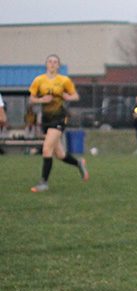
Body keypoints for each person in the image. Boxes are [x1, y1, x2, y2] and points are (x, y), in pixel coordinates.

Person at [28, 54, 88, 193]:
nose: (52, 64)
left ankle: (44, 183)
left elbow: (76, 96)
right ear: (46, 64)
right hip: (46, 119)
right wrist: (42, 100)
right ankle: (78, 163)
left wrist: (68, 96)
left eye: (55, 62)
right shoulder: (39, 80)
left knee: (46, 149)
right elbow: (31, 99)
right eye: (50, 61)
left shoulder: (64, 80)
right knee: (60, 154)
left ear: (58, 65)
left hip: (60, 118)